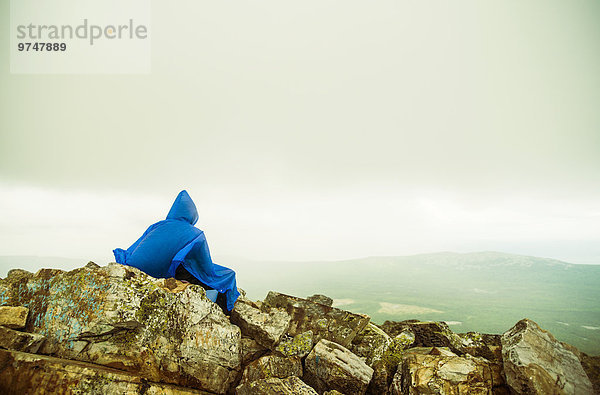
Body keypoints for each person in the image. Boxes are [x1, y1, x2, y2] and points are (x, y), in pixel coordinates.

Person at [113, 190, 239, 313]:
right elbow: (205, 267)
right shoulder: (196, 233)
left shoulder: (158, 225)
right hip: (159, 272)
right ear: (193, 215)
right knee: (227, 275)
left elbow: (136, 246)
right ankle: (225, 312)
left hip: (133, 265)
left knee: (184, 269)